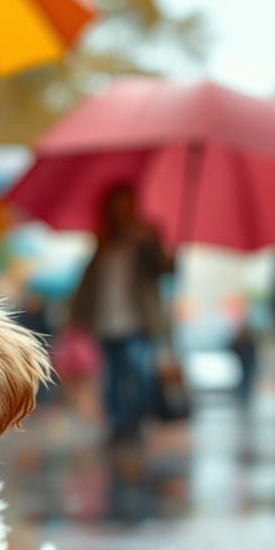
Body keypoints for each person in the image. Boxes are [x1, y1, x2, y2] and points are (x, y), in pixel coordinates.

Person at [69, 183, 175, 441]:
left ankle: (135, 420)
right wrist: (76, 317)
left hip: (139, 321)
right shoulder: (103, 242)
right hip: (106, 321)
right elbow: (88, 283)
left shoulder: (146, 237)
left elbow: (166, 269)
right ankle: (118, 424)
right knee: (113, 376)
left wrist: (151, 243)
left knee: (137, 371)